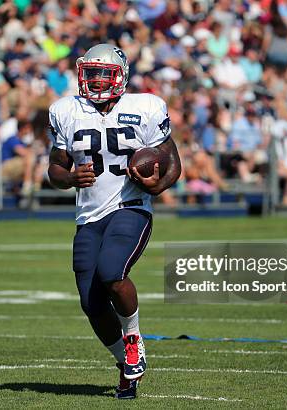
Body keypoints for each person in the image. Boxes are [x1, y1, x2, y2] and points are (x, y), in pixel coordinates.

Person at [47, 44, 180, 399]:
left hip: (131, 206)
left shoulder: (146, 106)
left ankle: (134, 339)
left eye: (102, 73)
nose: (94, 80)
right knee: (90, 302)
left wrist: (159, 183)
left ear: (120, 75)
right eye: (90, 73)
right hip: (88, 214)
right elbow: (55, 168)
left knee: (112, 272)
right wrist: (70, 178)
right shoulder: (65, 111)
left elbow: (171, 160)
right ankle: (126, 365)